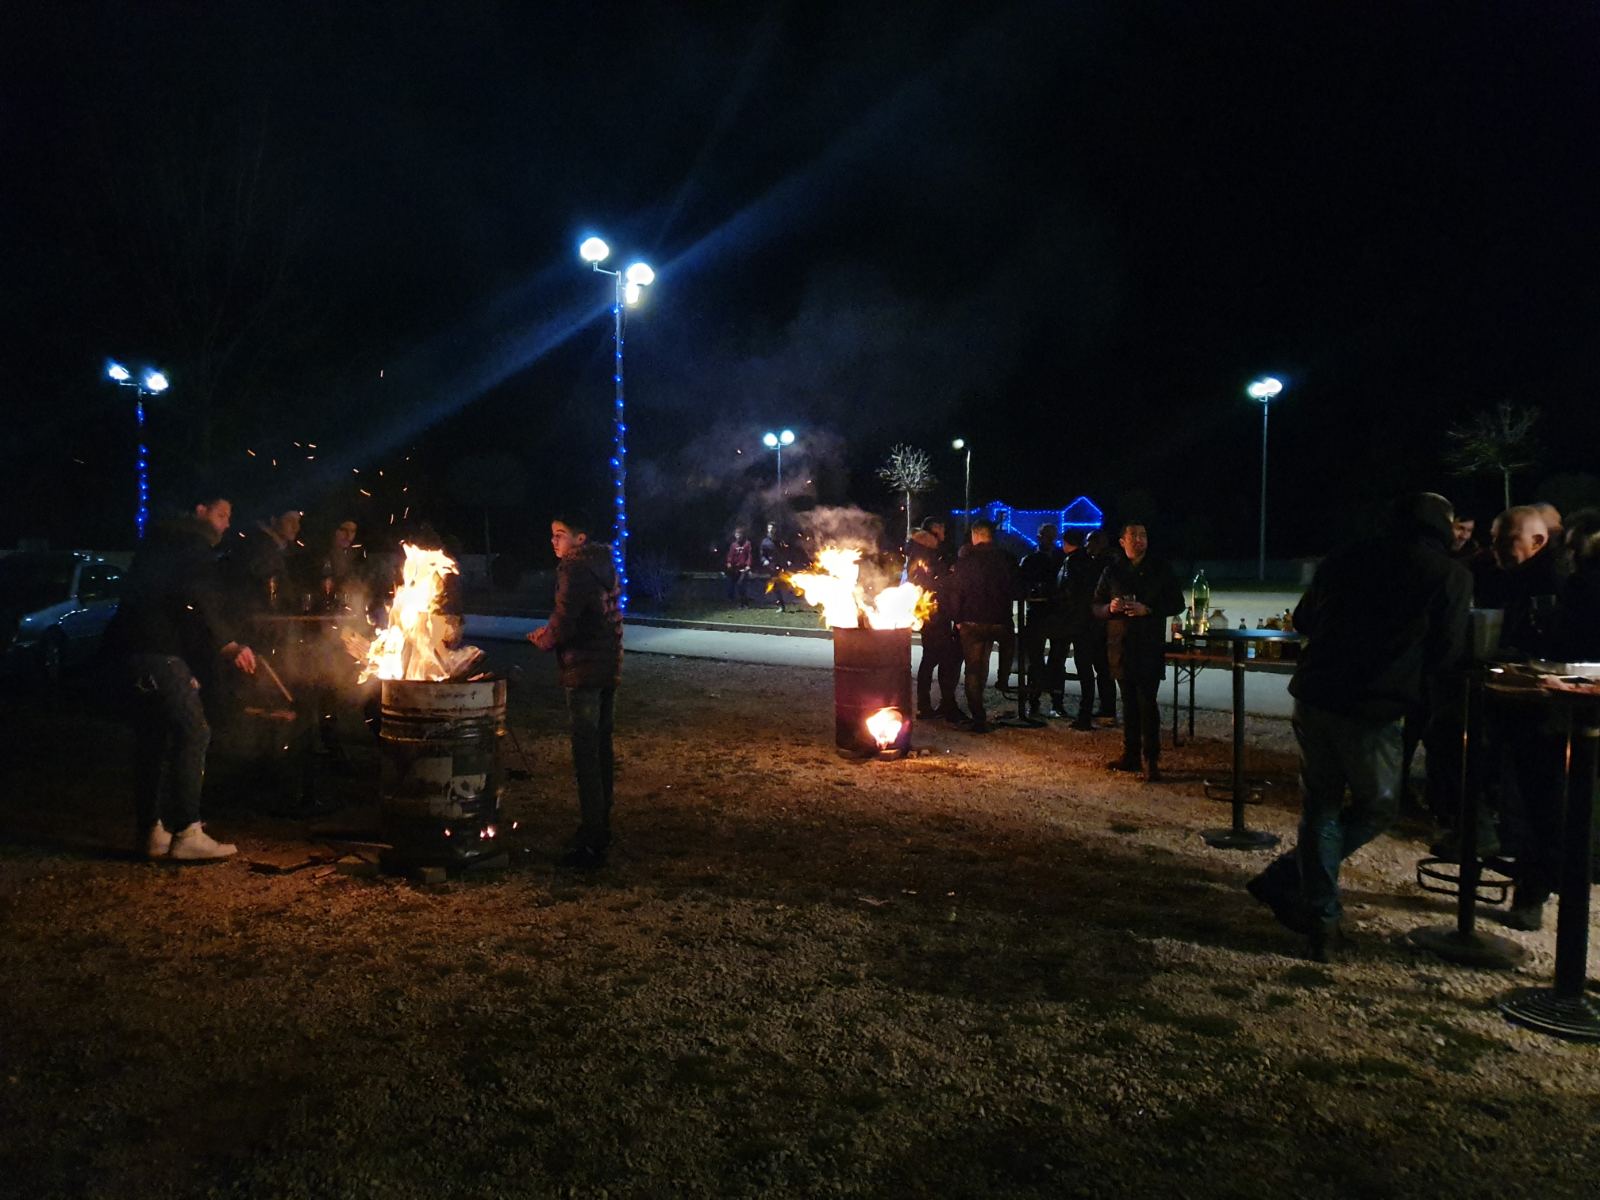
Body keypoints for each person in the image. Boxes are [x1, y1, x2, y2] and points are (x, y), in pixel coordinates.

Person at [1247, 493, 1470, 960]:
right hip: (1373, 705)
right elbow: (1447, 652)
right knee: (1378, 806)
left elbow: (1305, 618)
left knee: (1321, 807)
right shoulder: (1449, 575)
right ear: (1443, 527)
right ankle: (1293, 884)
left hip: (1316, 695)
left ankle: (1319, 917)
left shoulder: (1348, 556)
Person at [104, 491, 259, 861]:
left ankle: (150, 832)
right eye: (221, 514)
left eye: (229, 516)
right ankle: (187, 830)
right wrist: (229, 644)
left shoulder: (159, 539)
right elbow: (199, 600)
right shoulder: (192, 543)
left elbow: (174, 604)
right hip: (156, 651)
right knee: (195, 730)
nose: (226, 524)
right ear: (200, 510)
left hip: (132, 650)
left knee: (153, 736)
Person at [528, 510, 623, 869]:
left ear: (580, 538)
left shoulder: (574, 567)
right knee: (602, 748)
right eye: (552, 534)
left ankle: (591, 837)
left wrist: (545, 639)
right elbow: (597, 616)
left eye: (561, 533)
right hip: (607, 666)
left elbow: (566, 619)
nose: (554, 541)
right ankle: (602, 825)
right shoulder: (605, 564)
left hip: (583, 670)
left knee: (586, 753)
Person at [1091, 522, 1183, 780]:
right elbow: (1095, 607)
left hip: (1148, 646)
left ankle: (1150, 758)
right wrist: (1110, 607)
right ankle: (1130, 754)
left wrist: (1149, 609)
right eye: (1134, 536)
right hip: (1120, 646)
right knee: (1128, 703)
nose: (1139, 540)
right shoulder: (1112, 570)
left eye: (1143, 535)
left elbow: (1177, 603)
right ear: (1122, 542)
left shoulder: (1160, 569)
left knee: (1147, 702)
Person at [946, 519, 1017, 733]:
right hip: (1000, 620)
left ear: (975, 535)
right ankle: (1003, 679)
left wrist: (957, 619)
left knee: (974, 671)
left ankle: (979, 718)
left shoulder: (964, 562)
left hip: (972, 622)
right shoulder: (1007, 559)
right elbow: (1017, 589)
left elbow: (955, 593)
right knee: (1007, 648)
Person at [906, 516, 963, 721]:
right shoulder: (924, 553)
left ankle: (935, 704)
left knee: (935, 658)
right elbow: (927, 581)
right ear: (932, 531)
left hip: (936, 611)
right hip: (932, 612)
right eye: (941, 526)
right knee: (934, 657)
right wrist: (948, 577)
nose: (945, 529)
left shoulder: (930, 551)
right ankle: (930, 705)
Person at [1018, 524, 1068, 719]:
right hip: (1038, 614)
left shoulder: (1060, 558)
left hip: (1056, 615)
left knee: (1057, 661)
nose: (1049, 539)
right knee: (1036, 661)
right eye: (1046, 536)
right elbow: (1021, 584)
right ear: (1039, 537)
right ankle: (1034, 701)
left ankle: (1056, 703)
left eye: (1052, 536)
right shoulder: (1030, 560)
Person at [758, 522, 789, 611]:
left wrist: (786, 561)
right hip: (770, 566)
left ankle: (781, 604)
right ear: (767, 529)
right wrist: (765, 561)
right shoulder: (765, 542)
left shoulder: (779, 541)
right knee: (775, 585)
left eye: (772, 528)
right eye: (769, 528)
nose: (771, 530)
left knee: (780, 584)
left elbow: (784, 552)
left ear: (775, 529)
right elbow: (762, 555)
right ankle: (781, 604)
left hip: (780, 565)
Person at [725, 527, 754, 608]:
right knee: (734, 585)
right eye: (737, 534)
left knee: (741, 585)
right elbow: (730, 555)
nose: (738, 536)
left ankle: (745, 603)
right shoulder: (733, 545)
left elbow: (749, 555)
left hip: (744, 568)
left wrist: (748, 565)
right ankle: (739, 602)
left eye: (739, 534)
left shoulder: (747, 544)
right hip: (735, 569)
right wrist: (729, 563)